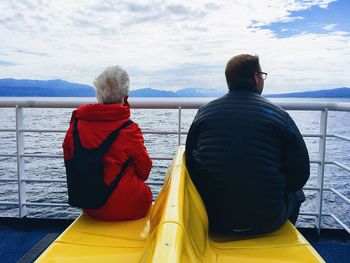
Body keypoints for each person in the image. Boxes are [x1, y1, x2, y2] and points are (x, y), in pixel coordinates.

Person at [185, 54, 310, 235]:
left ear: (229, 81)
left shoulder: (204, 113)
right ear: (256, 78)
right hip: (267, 220)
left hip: (213, 218)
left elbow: (191, 160)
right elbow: (300, 174)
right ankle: (283, 237)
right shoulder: (278, 115)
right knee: (297, 194)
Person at [63, 65, 152, 220]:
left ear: (98, 93)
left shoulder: (77, 123)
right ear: (125, 96)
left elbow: (69, 158)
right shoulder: (129, 129)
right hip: (130, 206)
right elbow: (145, 171)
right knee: (147, 192)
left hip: (90, 206)